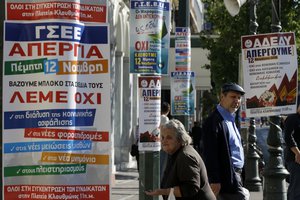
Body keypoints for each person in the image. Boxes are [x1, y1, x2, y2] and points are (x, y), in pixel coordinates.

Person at [145, 119, 216, 200]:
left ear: (179, 139)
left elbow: (191, 188)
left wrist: (162, 192)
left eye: (169, 137)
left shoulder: (185, 156)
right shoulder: (175, 152)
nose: (164, 141)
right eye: (162, 137)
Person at [202, 83, 249, 200]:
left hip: (235, 174)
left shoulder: (231, 118)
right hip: (226, 176)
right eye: (233, 97)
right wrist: (215, 179)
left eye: (239, 98)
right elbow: (210, 153)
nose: (237, 101)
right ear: (222, 97)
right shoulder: (214, 121)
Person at [284, 102, 300, 200]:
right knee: (296, 189)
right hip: (295, 158)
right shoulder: (292, 118)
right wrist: (297, 152)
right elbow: (287, 137)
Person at [160, 102, 170, 180]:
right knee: (162, 165)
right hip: (162, 145)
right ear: (168, 110)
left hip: (156, 143)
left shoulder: (157, 117)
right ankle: (160, 181)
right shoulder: (165, 118)